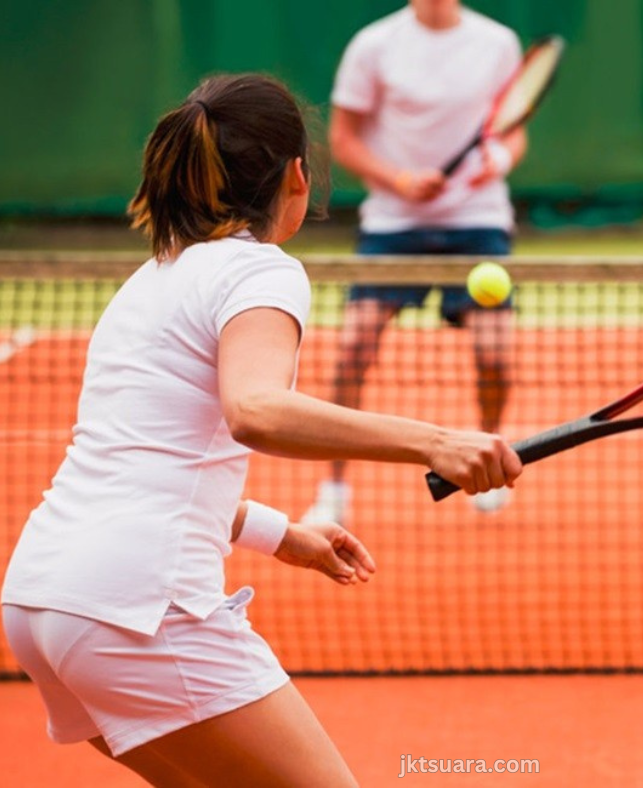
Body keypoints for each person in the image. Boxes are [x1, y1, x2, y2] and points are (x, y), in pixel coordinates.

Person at [0, 74, 521, 787]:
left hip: (43, 601)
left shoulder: (153, 276)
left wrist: (281, 535)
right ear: (298, 175)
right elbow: (255, 409)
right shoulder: (260, 271)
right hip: (138, 608)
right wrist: (435, 441)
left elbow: (147, 462)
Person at [302, 0, 527, 524]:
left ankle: (489, 458)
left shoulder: (497, 43)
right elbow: (343, 139)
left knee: (495, 356)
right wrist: (399, 180)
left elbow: (513, 128)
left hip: (478, 221)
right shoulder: (374, 45)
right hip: (393, 225)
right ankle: (333, 489)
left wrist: (499, 159)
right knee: (353, 348)